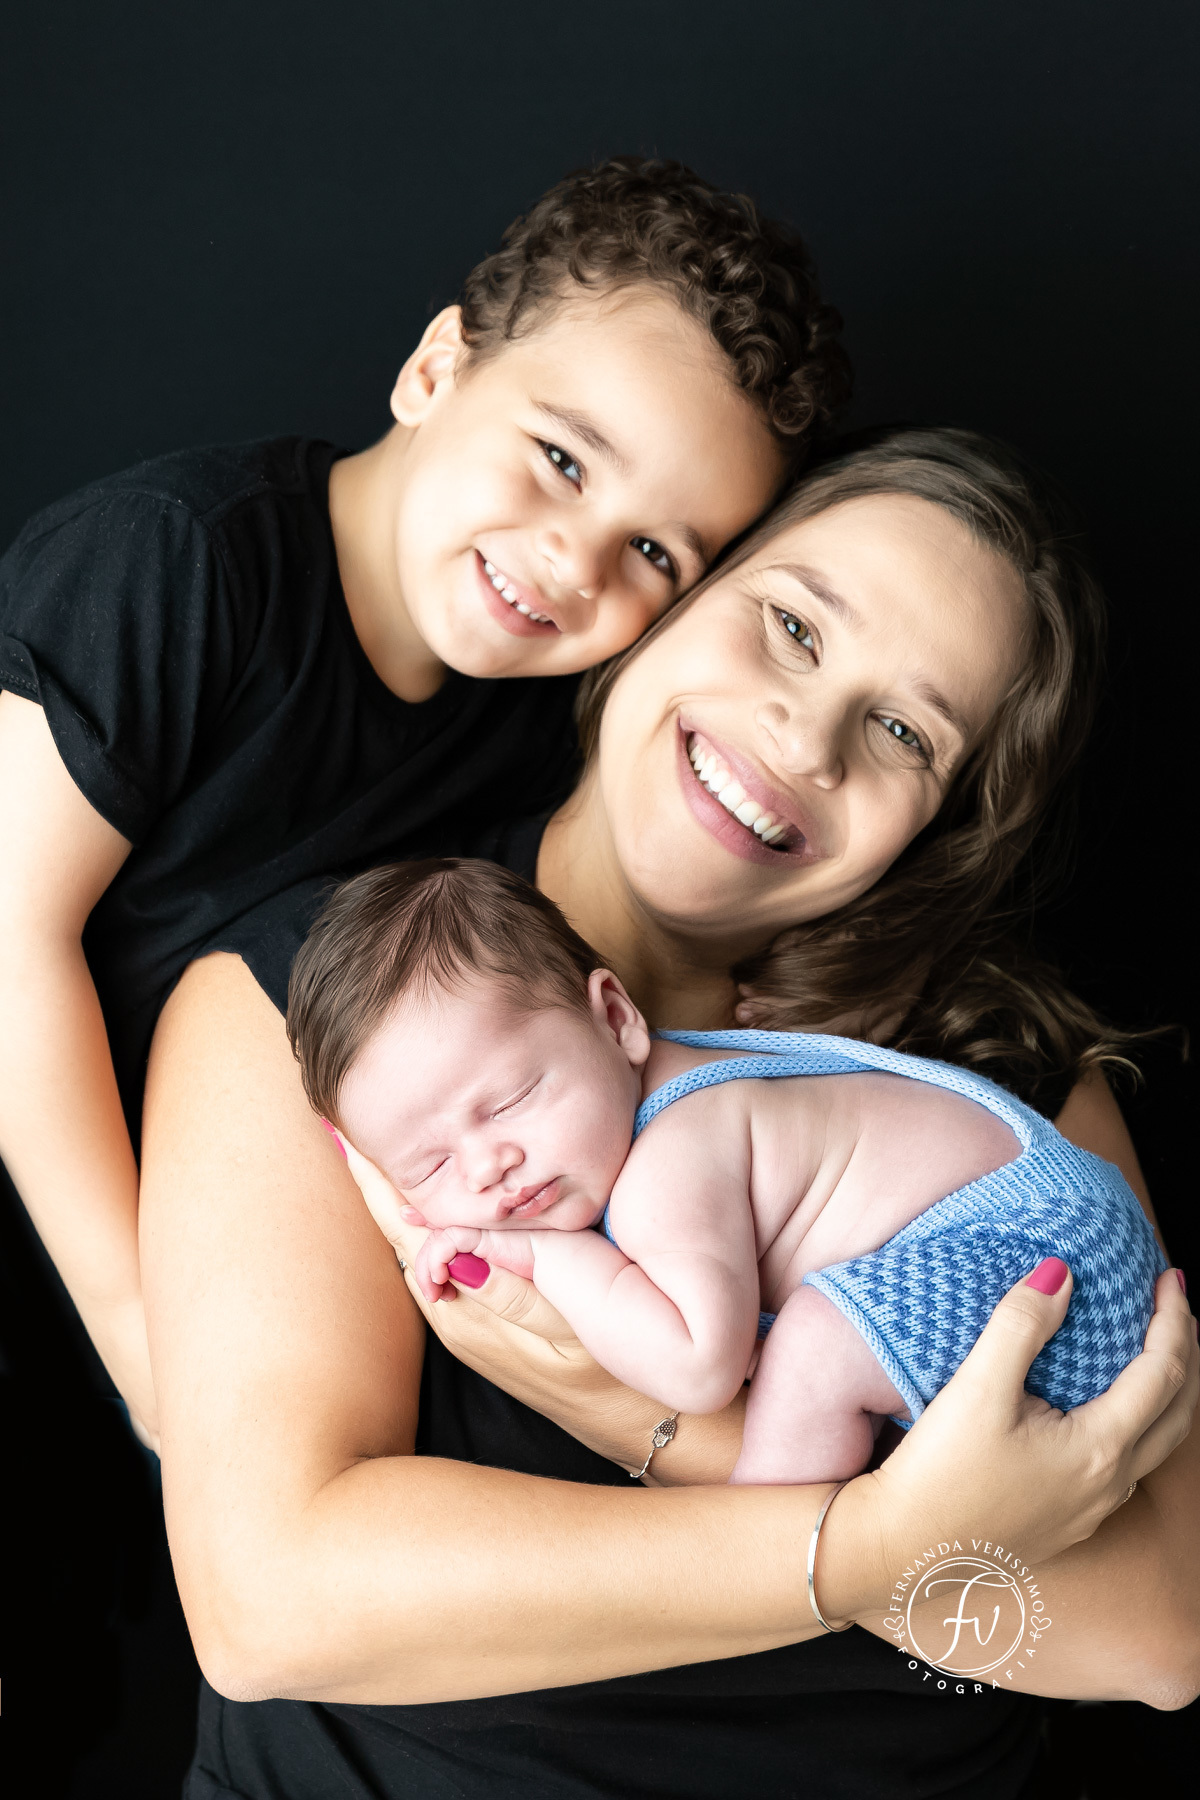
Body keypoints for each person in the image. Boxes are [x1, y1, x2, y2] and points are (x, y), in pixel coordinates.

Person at [139, 427, 1199, 1799]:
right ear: (674, 590)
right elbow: (272, 1605)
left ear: (940, 829)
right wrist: (885, 1536)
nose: (802, 739)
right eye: (793, 626)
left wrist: (625, 1411)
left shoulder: (1002, 1082)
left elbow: (1155, 1632)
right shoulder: (327, 1014)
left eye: (902, 733)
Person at [0, 157, 843, 1446]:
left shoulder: (543, 720)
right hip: (77, 1234)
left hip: (250, 1256)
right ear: (437, 370)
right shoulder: (178, 562)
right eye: (560, 459)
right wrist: (143, 1343)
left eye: (653, 551)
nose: (574, 561)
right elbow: (10, 939)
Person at [284, 857, 1167, 1488]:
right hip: (1053, 1237)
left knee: (816, 1352)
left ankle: (769, 1547)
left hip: (1055, 1277)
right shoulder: (653, 1087)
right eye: (430, 1165)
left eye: (511, 1099)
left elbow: (702, 1366)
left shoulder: (674, 1155)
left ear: (615, 1017)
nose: (488, 1168)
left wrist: (551, 1258)